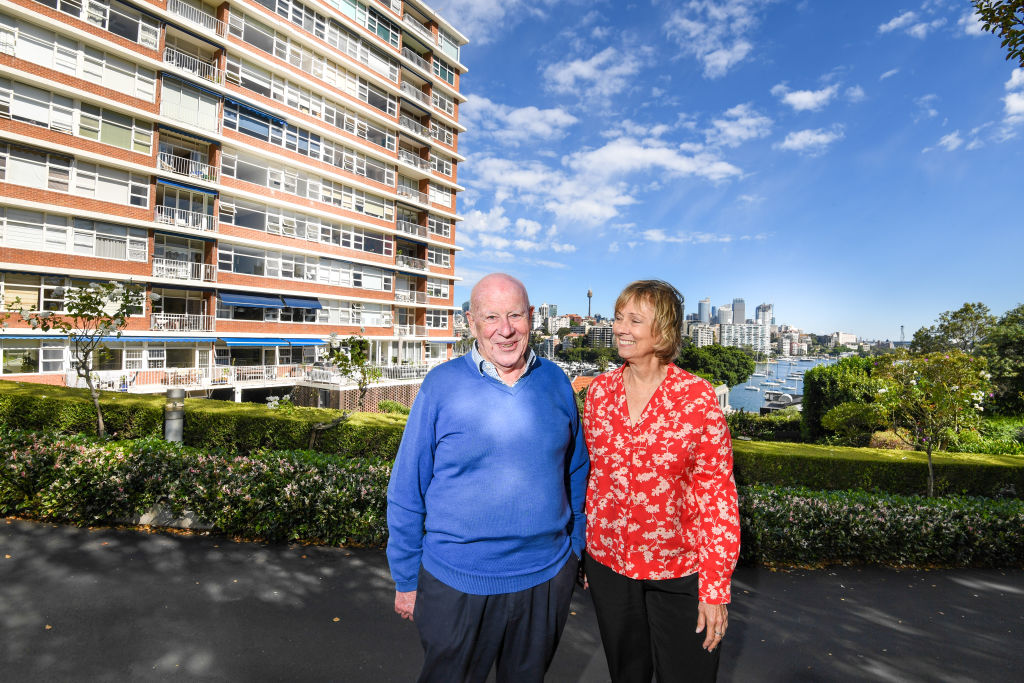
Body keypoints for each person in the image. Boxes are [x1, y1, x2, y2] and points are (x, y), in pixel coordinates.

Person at [386, 272, 589, 683]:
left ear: (532, 316)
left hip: (545, 578)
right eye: (492, 316)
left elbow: (577, 471)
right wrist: (406, 578)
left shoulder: (556, 382)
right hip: (455, 582)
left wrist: (575, 551)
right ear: (471, 322)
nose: (506, 329)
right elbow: (407, 488)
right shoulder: (440, 386)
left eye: (515, 314)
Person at [582, 280, 740, 683]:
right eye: (618, 317)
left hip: (680, 573)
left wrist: (715, 588)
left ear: (664, 332)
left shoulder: (698, 399)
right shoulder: (599, 393)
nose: (620, 327)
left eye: (635, 320)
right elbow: (592, 477)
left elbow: (716, 495)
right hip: (610, 568)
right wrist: (586, 548)